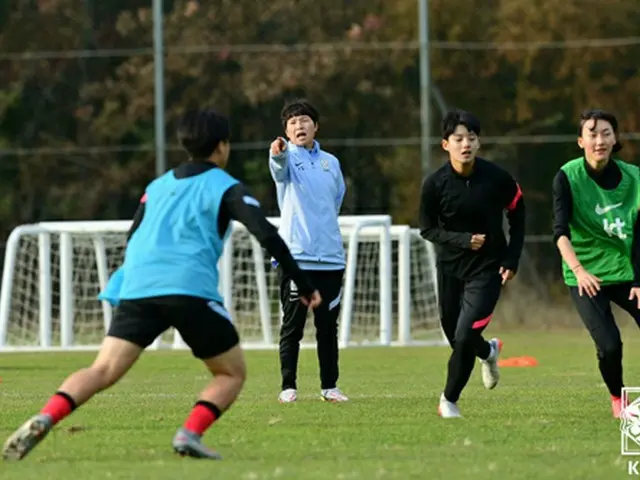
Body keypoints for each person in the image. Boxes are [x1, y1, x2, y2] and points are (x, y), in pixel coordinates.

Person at [2, 108, 321, 461]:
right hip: (188, 289)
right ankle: (190, 433)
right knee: (231, 373)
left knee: (102, 370)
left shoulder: (158, 185)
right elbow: (266, 234)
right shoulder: (226, 187)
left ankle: (47, 416)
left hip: (139, 286)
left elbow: (134, 234)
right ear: (222, 146)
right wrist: (305, 285)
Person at [419, 109, 525, 418]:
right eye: (458, 138)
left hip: (488, 268)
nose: (465, 144)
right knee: (457, 337)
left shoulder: (497, 178)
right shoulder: (434, 185)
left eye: (472, 138)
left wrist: (512, 256)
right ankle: (488, 352)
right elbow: (427, 229)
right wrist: (464, 240)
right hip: (451, 268)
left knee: (464, 337)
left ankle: (448, 400)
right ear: (445, 144)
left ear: (479, 143)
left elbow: (518, 211)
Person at [553, 109, 640, 419]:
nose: (599, 140)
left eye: (606, 133)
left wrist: (639, 279)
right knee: (610, 344)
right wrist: (578, 271)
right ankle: (618, 400)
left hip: (627, 271)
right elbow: (560, 233)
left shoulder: (635, 178)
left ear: (615, 139)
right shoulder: (567, 176)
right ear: (581, 141)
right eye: (592, 133)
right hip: (585, 274)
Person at [268, 99, 348, 403]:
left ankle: (330, 386)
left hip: (330, 257)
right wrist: (278, 153)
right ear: (286, 131)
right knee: (293, 325)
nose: (299, 126)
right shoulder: (285, 156)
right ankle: (288, 387)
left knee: (328, 327)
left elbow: (336, 201)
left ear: (315, 126)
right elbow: (278, 168)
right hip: (295, 257)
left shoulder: (332, 162)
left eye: (304, 120)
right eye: (292, 123)